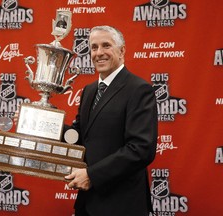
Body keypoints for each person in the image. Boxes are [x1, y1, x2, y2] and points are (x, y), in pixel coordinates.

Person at [64, 25, 158, 216]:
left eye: (106, 45)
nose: (99, 53)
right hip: (88, 203)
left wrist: (92, 175)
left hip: (122, 205)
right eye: (94, 47)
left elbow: (141, 149)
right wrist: (47, 124)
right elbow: (79, 137)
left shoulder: (139, 89)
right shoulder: (89, 90)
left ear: (122, 50)